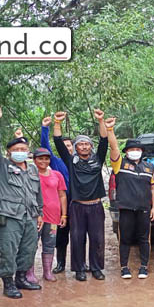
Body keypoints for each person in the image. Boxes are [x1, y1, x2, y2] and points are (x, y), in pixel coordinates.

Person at [0, 107, 43, 298]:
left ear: (28, 152)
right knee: (8, 250)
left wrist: (40, 213)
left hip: (30, 216)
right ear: (9, 152)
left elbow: (38, 193)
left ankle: (21, 278)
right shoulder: (3, 167)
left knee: (29, 249)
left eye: (23, 149)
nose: (20, 152)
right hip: (10, 216)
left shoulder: (33, 169)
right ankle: (8, 283)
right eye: (16, 150)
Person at [53, 110, 108, 281]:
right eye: (80, 144)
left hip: (95, 205)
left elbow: (104, 141)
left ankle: (96, 268)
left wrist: (101, 120)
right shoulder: (71, 161)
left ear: (91, 146)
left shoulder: (97, 159)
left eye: (87, 144)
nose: (84, 146)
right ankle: (79, 270)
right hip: (77, 206)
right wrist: (57, 123)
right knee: (77, 239)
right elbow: (58, 142)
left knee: (97, 238)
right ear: (76, 147)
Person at [106, 120, 154, 279]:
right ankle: (124, 268)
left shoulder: (149, 167)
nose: (135, 151)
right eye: (131, 149)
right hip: (126, 208)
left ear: (142, 152)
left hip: (143, 209)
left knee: (144, 239)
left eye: (137, 149)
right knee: (125, 238)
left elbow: (153, 187)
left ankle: (144, 267)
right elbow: (114, 148)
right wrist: (110, 129)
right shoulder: (120, 164)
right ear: (127, 151)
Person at [38, 118, 72, 274]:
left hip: (78, 204)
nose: (68, 149)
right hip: (62, 204)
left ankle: (81, 264)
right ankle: (60, 264)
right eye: (65, 146)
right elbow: (45, 148)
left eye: (70, 146)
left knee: (79, 236)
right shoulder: (57, 163)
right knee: (61, 237)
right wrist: (45, 129)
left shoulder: (80, 162)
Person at [31, 146, 68, 282]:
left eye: (46, 159)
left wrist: (64, 215)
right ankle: (30, 273)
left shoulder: (57, 175)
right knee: (32, 244)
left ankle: (47, 272)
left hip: (53, 217)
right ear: (34, 160)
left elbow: (62, 195)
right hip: (36, 217)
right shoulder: (30, 175)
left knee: (50, 244)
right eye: (40, 158)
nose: (44, 161)